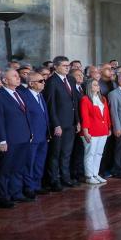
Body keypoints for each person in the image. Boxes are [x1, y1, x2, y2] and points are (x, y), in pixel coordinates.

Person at [0, 67, 35, 208]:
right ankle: (3, 197)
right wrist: (2, 140)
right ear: (5, 80)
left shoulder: (19, 93)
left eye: (17, 75)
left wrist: (30, 132)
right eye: (14, 76)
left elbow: (26, 115)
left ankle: (16, 193)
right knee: (5, 169)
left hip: (23, 137)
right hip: (9, 140)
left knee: (18, 167)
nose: (18, 78)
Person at [44, 56, 78, 191]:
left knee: (66, 153)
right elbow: (50, 105)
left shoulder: (71, 79)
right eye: (64, 65)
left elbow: (74, 102)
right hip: (59, 125)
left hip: (71, 123)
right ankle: (54, 180)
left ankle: (65, 177)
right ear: (56, 67)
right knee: (55, 154)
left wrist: (77, 120)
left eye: (68, 65)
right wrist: (56, 124)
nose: (67, 67)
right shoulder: (51, 82)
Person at [20, 73, 50, 199]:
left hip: (43, 135)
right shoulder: (24, 96)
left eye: (43, 81)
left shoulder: (40, 95)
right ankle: (29, 187)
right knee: (30, 163)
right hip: (32, 136)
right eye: (40, 81)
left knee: (39, 162)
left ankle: (37, 185)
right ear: (31, 83)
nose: (44, 83)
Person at [78, 78, 111, 184]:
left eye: (98, 85)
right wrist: (85, 131)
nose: (98, 86)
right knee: (90, 153)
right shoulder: (85, 99)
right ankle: (89, 176)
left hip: (103, 130)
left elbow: (107, 115)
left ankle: (95, 174)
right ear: (89, 87)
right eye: (95, 85)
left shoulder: (103, 99)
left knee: (99, 153)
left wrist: (109, 127)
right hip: (91, 131)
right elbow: (85, 116)